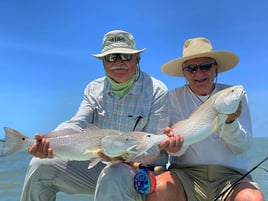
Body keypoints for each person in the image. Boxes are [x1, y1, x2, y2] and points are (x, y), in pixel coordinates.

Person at [20, 30, 170, 201]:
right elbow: (77, 124)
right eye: (112, 57)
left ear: (137, 58)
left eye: (126, 56)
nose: (118, 62)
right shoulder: (94, 89)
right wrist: (47, 140)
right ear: (103, 62)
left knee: (114, 173)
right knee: (41, 164)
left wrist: (121, 156)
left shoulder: (157, 90)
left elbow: (153, 149)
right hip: (102, 165)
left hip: (142, 171)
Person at [147, 37, 264, 201]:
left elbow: (242, 147)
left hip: (231, 177)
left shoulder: (234, 96)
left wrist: (230, 122)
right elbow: (179, 146)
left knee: (252, 198)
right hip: (185, 174)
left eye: (206, 66)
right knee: (157, 190)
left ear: (216, 69)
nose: (199, 73)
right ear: (184, 73)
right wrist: (174, 148)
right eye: (191, 68)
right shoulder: (172, 98)